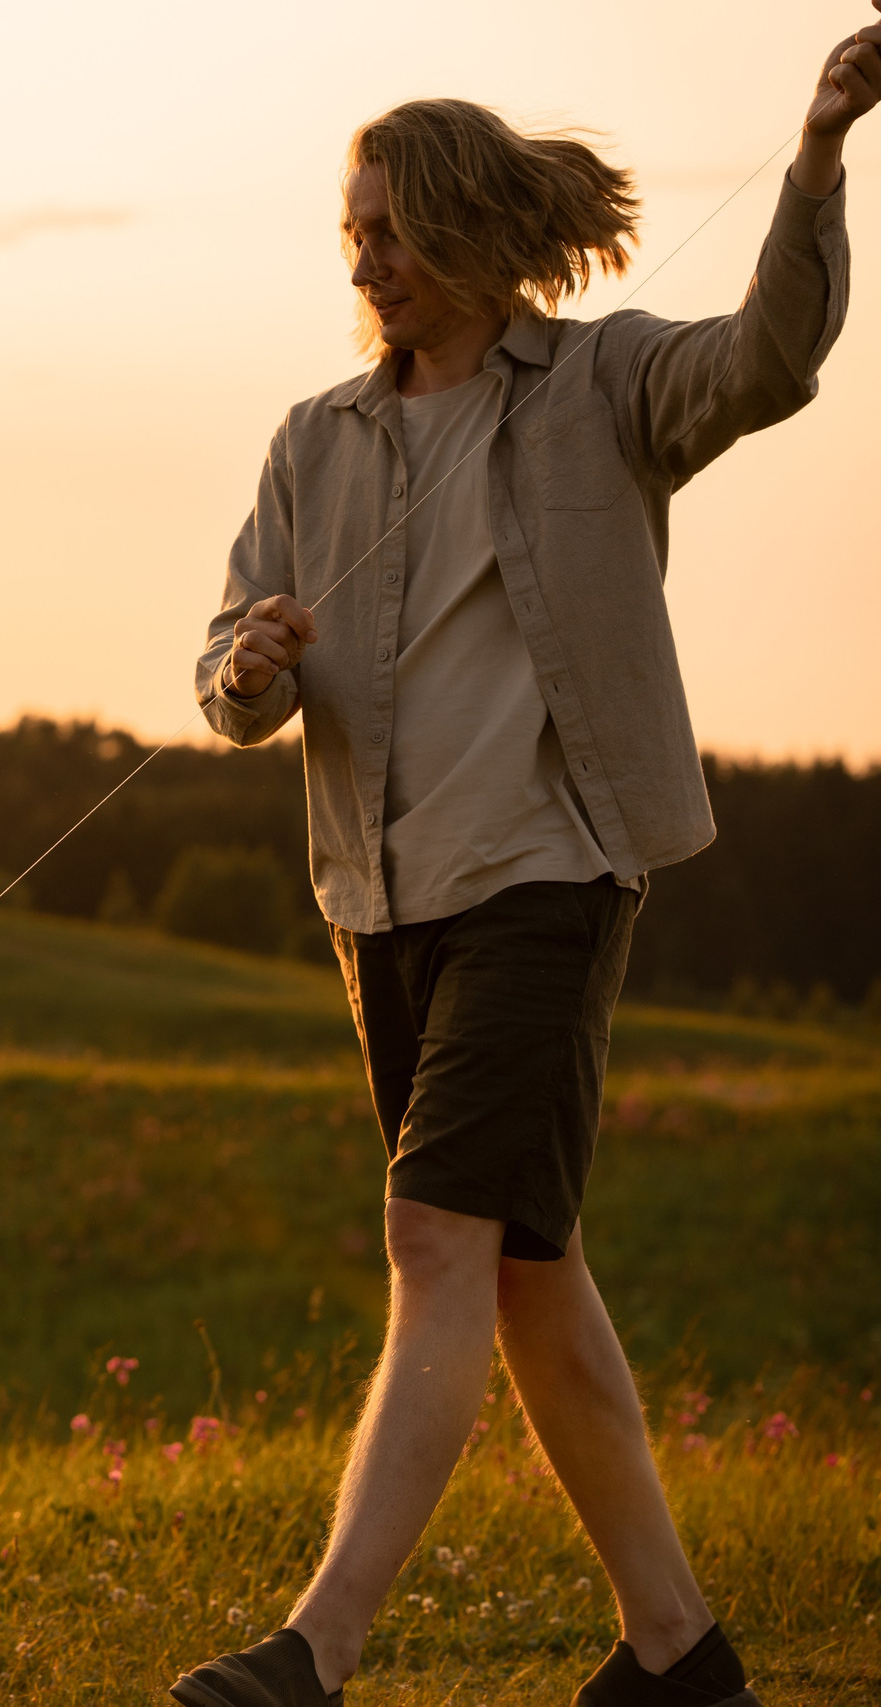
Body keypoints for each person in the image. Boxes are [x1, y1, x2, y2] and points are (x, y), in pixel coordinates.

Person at [171, 21, 877, 1707]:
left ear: (477, 230)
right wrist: (247, 670)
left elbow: (774, 357)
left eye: (395, 228)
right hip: (380, 907)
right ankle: (677, 1649)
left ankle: (315, 1649)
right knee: (532, 1273)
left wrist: (817, 160)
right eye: (354, 230)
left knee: (434, 1246)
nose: (368, 259)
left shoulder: (611, 388)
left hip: (551, 881)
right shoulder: (313, 439)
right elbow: (221, 671)